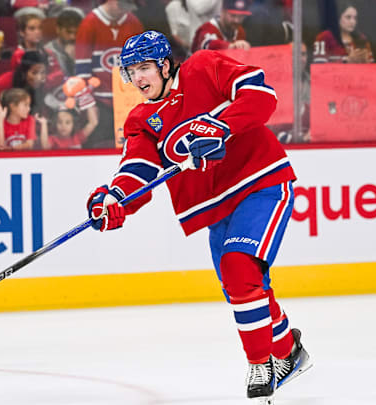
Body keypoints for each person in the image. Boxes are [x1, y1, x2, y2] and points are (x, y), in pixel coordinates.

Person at [85, 30, 313, 403]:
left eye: (144, 67)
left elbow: (260, 96)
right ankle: (289, 351)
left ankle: (261, 366)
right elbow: (137, 171)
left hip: (261, 184)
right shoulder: (141, 119)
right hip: (214, 208)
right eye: (131, 71)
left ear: (164, 63)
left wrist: (220, 125)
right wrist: (114, 200)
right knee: (242, 288)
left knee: (240, 271)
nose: (138, 78)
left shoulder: (204, 67)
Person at [75, 0, 143, 148]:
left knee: (132, 146)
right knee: (100, 145)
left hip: (128, 100)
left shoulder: (133, 22)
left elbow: (142, 64)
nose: (124, 10)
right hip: (100, 102)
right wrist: (88, 104)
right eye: (121, 4)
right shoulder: (89, 24)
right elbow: (82, 70)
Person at [43, 7, 84, 77]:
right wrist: (69, 59)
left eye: (76, 33)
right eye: (69, 32)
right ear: (58, 29)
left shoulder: (84, 49)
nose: (73, 37)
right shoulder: (47, 51)